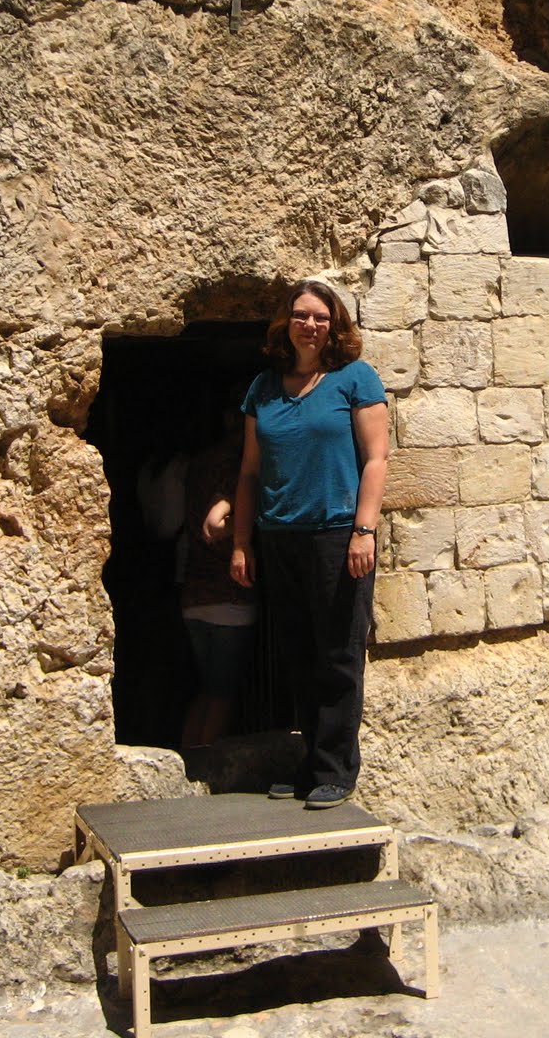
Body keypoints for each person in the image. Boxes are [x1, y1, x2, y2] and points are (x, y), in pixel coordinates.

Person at [231, 279, 389, 809]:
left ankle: (337, 770)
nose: (311, 325)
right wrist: (241, 542)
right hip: (280, 536)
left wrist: (363, 530)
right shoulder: (264, 389)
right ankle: (309, 764)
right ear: (286, 323)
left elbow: (376, 460)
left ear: (334, 324)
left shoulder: (354, 379)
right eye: (301, 315)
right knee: (297, 653)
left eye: (321, 317)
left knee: (338, 653)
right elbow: (250, 473)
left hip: (336, 536)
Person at [178, 418, 256, 749]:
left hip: (194, 595)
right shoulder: (236, 471)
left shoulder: (196, 466)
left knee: (207, 689)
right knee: (223, 695)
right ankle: (204, 770)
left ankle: (186, 758)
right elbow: (217, 524)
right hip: (229, 597)